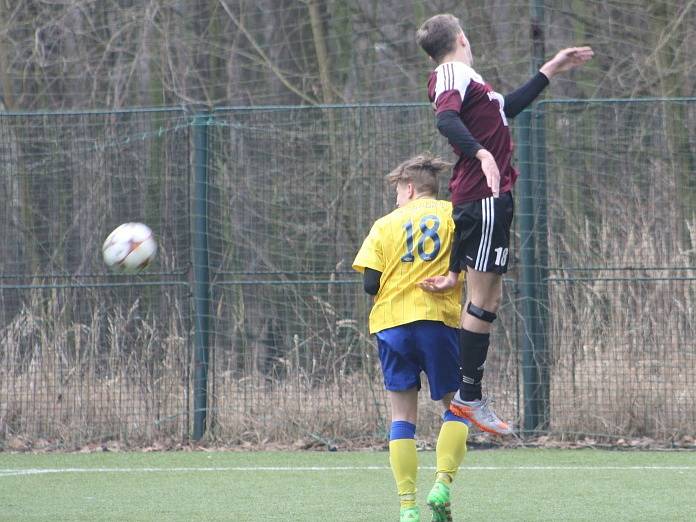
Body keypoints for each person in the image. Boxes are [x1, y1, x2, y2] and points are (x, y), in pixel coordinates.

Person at [415, 14, 593, 435]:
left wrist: (550, 69)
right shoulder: (452, 71)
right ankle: (467, 396)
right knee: (483, 297)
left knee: (487, 297)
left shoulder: (473, 83)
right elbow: (446, 118)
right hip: (484, 197)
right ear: (462, 38)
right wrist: (481, 154)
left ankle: (468, 395)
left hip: (485, 199)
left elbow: (505, 108)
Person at [353, 154, 469, 522]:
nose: (395, 200)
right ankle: (442, 485)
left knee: (402, 417)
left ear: (408, 188)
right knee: (459, 405)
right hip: (438, 321)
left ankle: (407, 508)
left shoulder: (384, 225)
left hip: (391, 325)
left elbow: (370, 283)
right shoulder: (455, 217)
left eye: (397, 192)